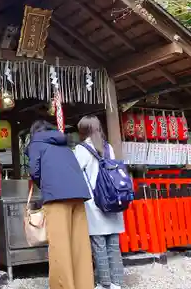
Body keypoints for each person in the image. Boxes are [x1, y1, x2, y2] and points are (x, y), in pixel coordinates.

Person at [25, 120, 94, 289]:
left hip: (57, 197)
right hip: (79, 195)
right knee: (80, 246)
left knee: (59, 247)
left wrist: (46, 185)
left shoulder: (36, 142)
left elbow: (34, 171)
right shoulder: (63, 143)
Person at [74, 116, 125, 289]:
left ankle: (104, 284)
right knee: (113, 244)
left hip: (94, 203)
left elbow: (75, 173)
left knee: (99, 245)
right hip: (113, 200)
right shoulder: (108, 146)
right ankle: (117, 282)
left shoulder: (82, 149)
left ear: (83, 130)